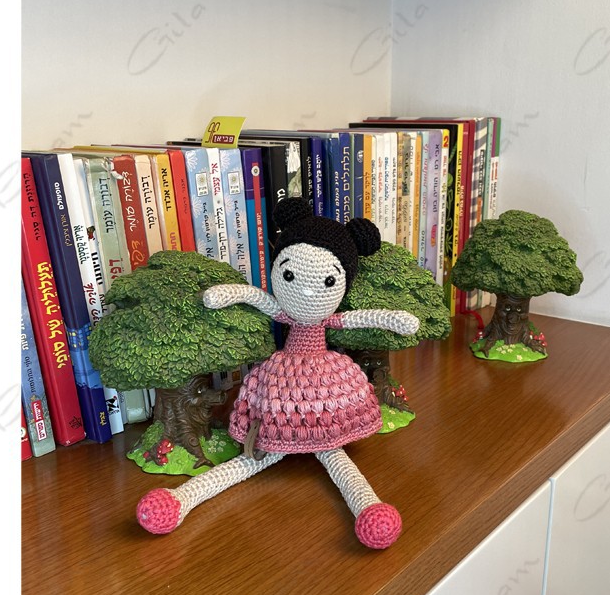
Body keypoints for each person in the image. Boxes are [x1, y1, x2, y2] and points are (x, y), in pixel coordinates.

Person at [135, 198, 419, 549]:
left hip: (327, 388)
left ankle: (367, 505)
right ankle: (181, 499)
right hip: (281, 388)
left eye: (328, 280)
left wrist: (395, 319)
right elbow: (256, 298)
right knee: (252, 458)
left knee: (331, 456)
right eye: (288, 275)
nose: (307, 290)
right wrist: (226, 294)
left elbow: (361, 317)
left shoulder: (330, 321)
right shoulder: (283, 316)